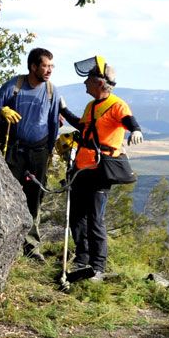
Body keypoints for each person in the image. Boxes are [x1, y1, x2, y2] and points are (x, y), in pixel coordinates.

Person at [0, 48, 78, 258]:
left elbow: (54, 122)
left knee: (35, 197)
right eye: (45, 65)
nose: (49, 70)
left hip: (39, 152)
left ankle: (31, 247)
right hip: (15, 151)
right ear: (33, 66)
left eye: (51, 66)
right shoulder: (15, 86)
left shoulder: (52, 91)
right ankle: (1, 242)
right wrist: (2, 110)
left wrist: (50, 154)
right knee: (7, 194)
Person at [66, 56, 144, 281]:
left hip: (101, 169)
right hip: (82, 166)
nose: (84, 83)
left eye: (88, 79)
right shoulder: (92, 105)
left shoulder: (117, 105)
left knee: (95, 218)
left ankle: (97, 266)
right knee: (77, 216)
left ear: (100, 83)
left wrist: (135, 131)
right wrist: (63, 110)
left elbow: (129, 120)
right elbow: (82, 126)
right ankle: (82, 257)